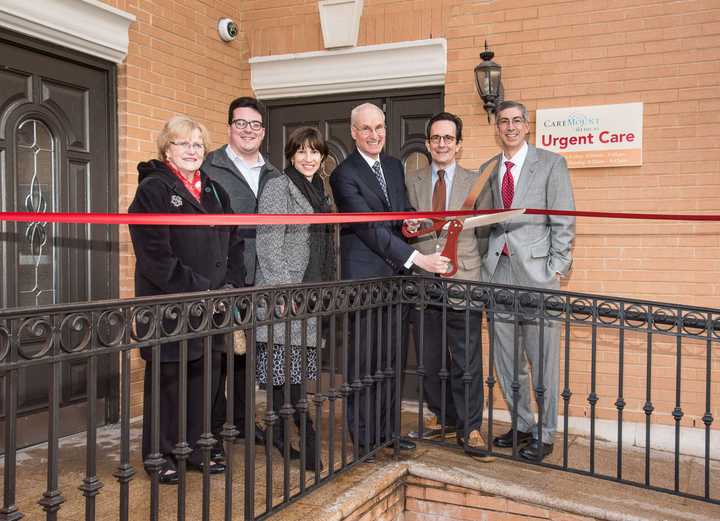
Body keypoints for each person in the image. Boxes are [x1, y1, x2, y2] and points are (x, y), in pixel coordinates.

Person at [129, 115, 245, 484]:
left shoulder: (214, 190)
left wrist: (230, 283)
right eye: (184, 144)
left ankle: (197, 448)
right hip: (170, 306)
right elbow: (154, 256)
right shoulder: (154, 190)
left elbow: (235, 242)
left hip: (212, 307)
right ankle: (159, 454)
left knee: (205, 382)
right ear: (167, 149)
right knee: (167, 384)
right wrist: (200, 287)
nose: (193, 151)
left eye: (198, 144)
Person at [330, 102, 449, 458]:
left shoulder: (395, 166)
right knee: (365, 363)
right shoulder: (343, 174)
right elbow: (367, 227)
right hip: (365, 281)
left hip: (395, 281)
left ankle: (387, 432)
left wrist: (410, 223)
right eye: (366, 129)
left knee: (391, 360)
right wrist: (416, 257)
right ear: (353, 133)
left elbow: (399, 212)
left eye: (379, 128)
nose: (374, 135)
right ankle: (364, 439)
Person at [480, 100, 576, 461]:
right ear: (497, 127)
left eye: (517, 121)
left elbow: (563, 220)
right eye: (504, 121)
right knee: (507, 360)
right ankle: (521, 424)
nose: (510, 127)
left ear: (527, 126)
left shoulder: (551, 164)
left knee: (542, 359)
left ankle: (546, 432)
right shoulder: (490, 169)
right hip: (498, 272)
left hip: (538, 275)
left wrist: (557, 267)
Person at [405, 111, 490, 453]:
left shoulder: (476, 182)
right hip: (425, 281)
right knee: (430, 356)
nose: (442, 144)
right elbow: (407, 227)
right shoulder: (413, 180)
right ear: (428, 143)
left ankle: (470, 428)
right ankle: (442, 418)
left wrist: (468, 263)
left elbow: (484, 234)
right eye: (436, 138)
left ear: (459, 145)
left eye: (448, 139)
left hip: (464, 280)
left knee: (467, 359)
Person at [202, 97, 281, 455]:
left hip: (261, 278)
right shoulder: (209, 167)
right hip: (222, 277)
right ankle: (213, 428)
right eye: (240, 123)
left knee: (248, 356)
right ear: (229, 126)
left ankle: (244, 420)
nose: (247, 130)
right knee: (217, 357)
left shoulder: (275, 173)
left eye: (254, 125)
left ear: (263, 131)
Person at [254, 126, 335, 471]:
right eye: (301, 151)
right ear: (290, 155)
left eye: (314, 151)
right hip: (285, 294)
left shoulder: (320, 189)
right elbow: (269, 244)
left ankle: (287, 430)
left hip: (310, 290)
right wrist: (285, 290)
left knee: (296, 370)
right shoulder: (278, 186)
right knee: (280, 370)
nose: (308, 158)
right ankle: (295, 432)